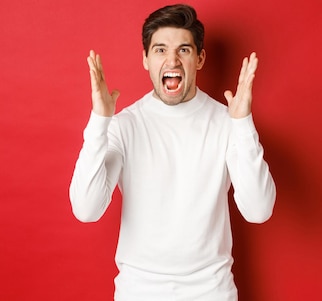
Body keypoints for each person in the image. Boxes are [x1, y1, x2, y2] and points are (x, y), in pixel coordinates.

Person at [69, 4, 276, 300]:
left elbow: (259, 210)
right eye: (160, 50)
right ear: (145, 59)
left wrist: (242, 124)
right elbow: (86, 209)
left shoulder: (227, 124)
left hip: (212, 292)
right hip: (138, 292)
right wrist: (100, 121)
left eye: (183, 50)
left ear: (200, 58)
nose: (172, 60)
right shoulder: (123, 125)